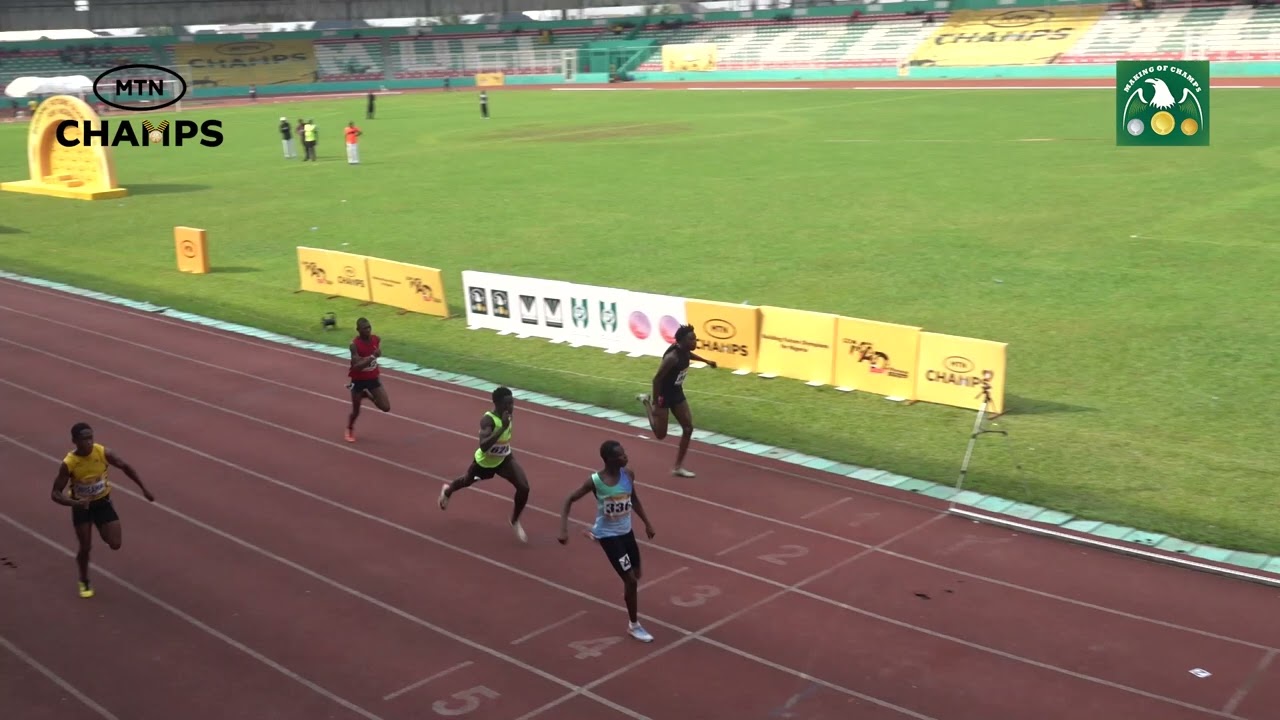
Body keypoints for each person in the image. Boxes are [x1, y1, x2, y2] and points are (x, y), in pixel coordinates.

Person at [558, 440, 655, 643]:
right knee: (630, 580)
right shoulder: (596, 481)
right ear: (609, 459)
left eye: (624, 453)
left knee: (637, 574)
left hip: (626, 532)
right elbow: (569, 499)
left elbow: (633, 499)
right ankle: (634, 625)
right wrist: (563, 530)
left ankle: (595, 533)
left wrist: (647, 523)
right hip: (610, 537)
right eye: (620, 455)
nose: (625, 456)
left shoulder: (628, 475)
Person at [50, 422, 155, 598]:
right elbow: (55, 493)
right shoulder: (69, 463)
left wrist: (143, 488)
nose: (89, 442)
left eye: (91, 438)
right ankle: (84, 580)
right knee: (85, 546)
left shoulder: (102, 452)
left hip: (102, 502)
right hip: (81, 507)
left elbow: (125, 466)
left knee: (115, 543)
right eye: (84, 439)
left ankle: (102, 526)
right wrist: (74, 504)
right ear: (74, 441)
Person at [438, 386, 529, 543]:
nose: (511, 407)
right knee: (466, 481)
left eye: (512, 403)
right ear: (497, 404)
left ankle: (514, 521)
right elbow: (484, 446)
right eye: (507, 404)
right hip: (484, 463)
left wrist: (505, 426)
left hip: (504, 459)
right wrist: (502, 428)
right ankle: (448, 490)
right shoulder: (488, 420)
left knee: (524, 487)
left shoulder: (508, 416)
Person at [636, 324, 717, 477]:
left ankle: (678, 467)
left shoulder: (685, 351)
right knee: (661, 435)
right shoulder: (671, 358)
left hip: (677, 392)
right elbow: (656, 380)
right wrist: (655, 403)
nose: (695, 341)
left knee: (688, 428)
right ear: (681, 341)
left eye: (695, 338)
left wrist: (706, 361)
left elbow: (689, 356)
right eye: (691, 339)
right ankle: (646, 401)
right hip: (663, 396)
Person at [346, 317, 391, 442]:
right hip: (358, 381)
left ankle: (368, 395)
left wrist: (375, 355)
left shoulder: (376, 340)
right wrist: (372, 357)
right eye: (365, 328)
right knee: (356, 411)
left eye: (369, 327)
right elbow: (357, 367)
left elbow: (376, 349)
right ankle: (349, 428)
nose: (368, 330)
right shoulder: (354, 345)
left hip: (372, 378)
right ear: (358, 330)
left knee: (386, 407)